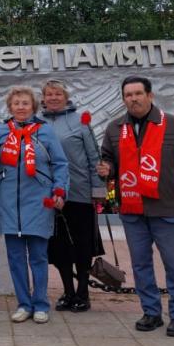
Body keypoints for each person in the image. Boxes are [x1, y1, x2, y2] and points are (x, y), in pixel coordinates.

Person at [98, 75, 174, 337]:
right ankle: (151, 312)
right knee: (141, 264)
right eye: (128, 95)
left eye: (137, 93)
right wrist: (106, 169)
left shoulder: (173, 126)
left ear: (150, 96)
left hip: (166, 207)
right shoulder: (114, 129)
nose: (133, 99)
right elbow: (108, 160)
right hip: (133, 210)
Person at [0, 86, 69, 324]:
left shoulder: (45, 131)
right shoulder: (2, 132)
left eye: (25, 103)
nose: (21, 107)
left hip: (38, 202)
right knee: (15, 258)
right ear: (10, 107)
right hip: (9, 204)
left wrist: (59, 190)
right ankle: (24, 303)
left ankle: (41, 303)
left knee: (38, 256)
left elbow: (60, 164)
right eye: (16, 103)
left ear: (33, 107)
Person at [41, 79, 105, 312]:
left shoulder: (81, 121)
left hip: (79, 192)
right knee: (59, 247)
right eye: (49, 94)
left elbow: (93, 158)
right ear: (43, 98)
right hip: (51, 196)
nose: (54, 98)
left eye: (58, 93)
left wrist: (98, 190)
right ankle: (67, 291)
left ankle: (83, 293)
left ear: (66, 96)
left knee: (82, 245)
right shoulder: (37, 123)